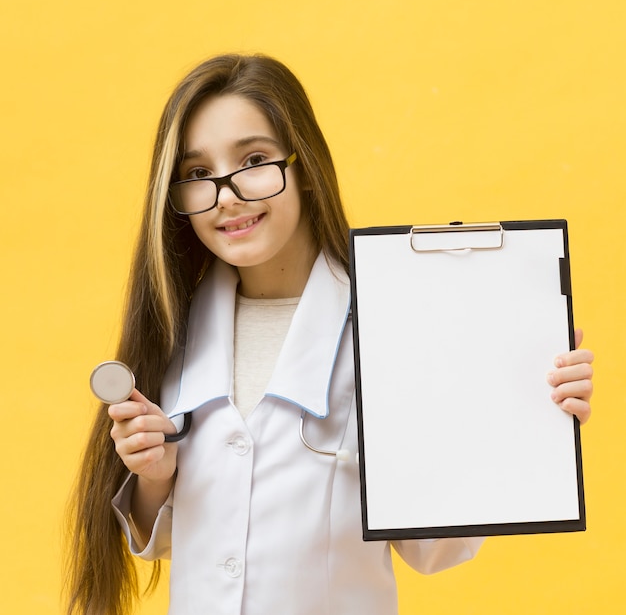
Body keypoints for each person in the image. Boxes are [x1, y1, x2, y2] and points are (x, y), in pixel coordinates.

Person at [65, 54, 594, 615]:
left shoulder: (399, 326)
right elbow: (171, 542)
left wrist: (527, 414)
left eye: (254, 160)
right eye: (198, 174)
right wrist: (154, 475)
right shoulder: (173, 331)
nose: (226, 194)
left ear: (305, 164)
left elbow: (437, 548)